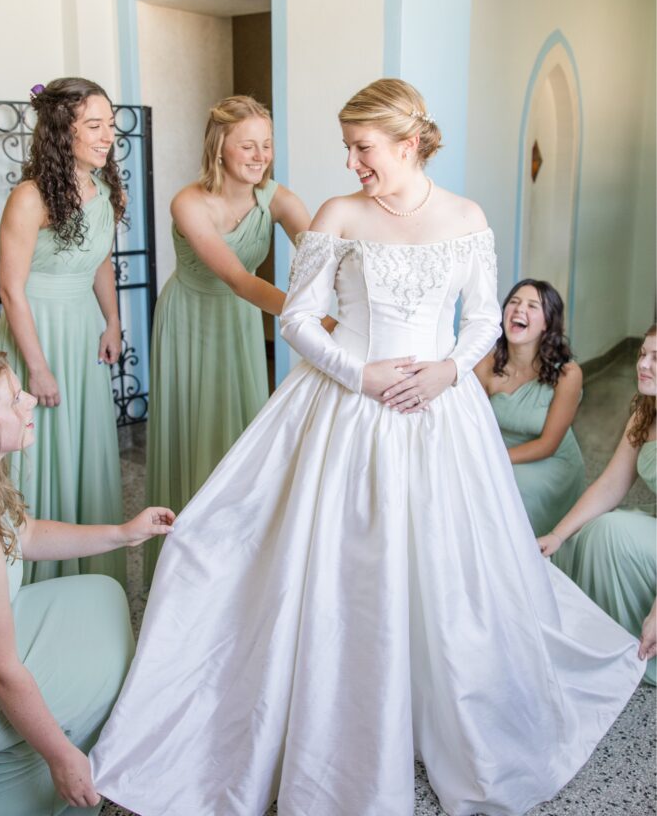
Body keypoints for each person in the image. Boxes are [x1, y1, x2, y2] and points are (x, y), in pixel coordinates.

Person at [91, 79, 644, 816]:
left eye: (362, 147)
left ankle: (440, 700)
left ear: (408, 144)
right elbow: (297, 320)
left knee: (445, 565)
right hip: (342, 407)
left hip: (440, 413)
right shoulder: (338, 215)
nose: (350, 162)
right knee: (317, 560)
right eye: (348, 147)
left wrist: (449, 370)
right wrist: (361, 372)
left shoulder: (464, 217)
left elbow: (481, 317)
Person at [0, 345, 175, 816]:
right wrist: (60, 757)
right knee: (107, 665)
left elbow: (25, 534)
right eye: (14, 400)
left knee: (103, 596)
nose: (30, 403)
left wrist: (125, 534)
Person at [144, 94, 321, 582]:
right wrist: (313, 321)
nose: (261, 155)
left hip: (242, 323)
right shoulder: (188, 202)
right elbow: (240, 280)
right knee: (193, 425)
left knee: (241, 429)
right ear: (219, 147)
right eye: (248, 145)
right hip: (190, 318)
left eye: (267, 145)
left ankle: (239, 562)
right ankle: (185, 565)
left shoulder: (279, 199)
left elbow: (322, 256)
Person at [0, 78, 126, 585]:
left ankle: (87, 571)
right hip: (37, 334)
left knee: (84, 448)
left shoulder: (105, 190)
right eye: (94, 125)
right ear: (59, 132)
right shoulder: (29, 198)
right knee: (37, 452)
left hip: (81, 330)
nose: (107, 135)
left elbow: (100, 262)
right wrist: (38, 368)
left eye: (109, 124)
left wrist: (112, 322)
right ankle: (31, 583)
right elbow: (11, 289)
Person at [539, 325, 657, 685]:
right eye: (643, 354)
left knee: (612, 531)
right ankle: (593, 636)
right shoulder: (645, 410)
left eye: (656, 359)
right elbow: (609, 486)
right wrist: (557, 536)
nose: (644, 364)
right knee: (581, 536)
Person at [475, 279, 585, 536]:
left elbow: (548, 444)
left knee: (509, 495)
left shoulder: (568, 374)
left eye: (532, 306)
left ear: (547, 322)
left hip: (549, 461)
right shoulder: (485, 364)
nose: (519, 309)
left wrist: (495, 460)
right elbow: (472, 421)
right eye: (513, 302)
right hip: (499, 454)